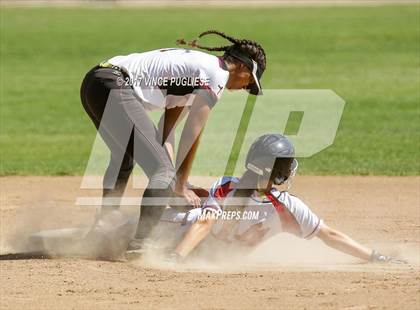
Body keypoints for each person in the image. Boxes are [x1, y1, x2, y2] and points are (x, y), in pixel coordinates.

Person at [79, 30, 266, 249]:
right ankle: (140, 246)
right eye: (250, 82)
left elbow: (165, 133)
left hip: (95, 83)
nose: (246, 88)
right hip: (114, 86)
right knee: (163, 173)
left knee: (126, 157)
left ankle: (104, 225)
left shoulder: (197, 71)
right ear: (243, 67)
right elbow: (193, 132)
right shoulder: (217, 73)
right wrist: (176, 183)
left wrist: (181, 183)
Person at [159, 134, 403, 264]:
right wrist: (374, 256)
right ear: (278, 173)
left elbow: (204, 223)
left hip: (187, 241)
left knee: (164, 220)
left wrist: (176, 257)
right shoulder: (287, 207)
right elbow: (330, 236)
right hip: (202, 251)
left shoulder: (226, 186)